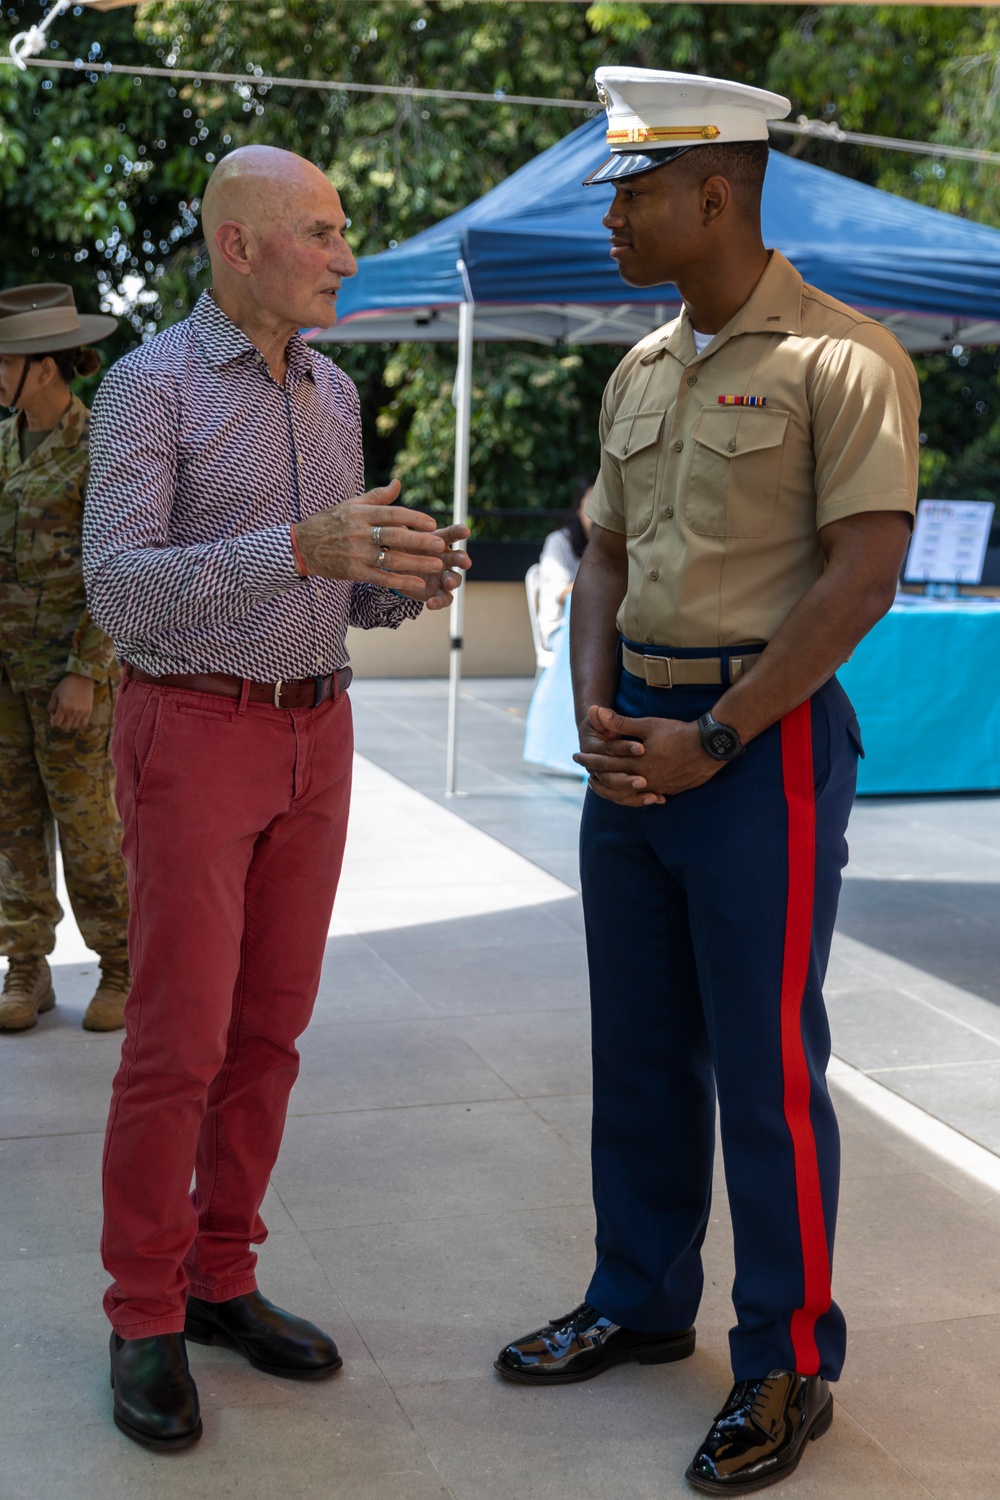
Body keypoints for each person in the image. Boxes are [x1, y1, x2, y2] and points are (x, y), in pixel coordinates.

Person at [496, 68, 919, 1495]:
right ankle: (639, 1295)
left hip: (761, 749)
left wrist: (715, 739)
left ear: (716, 194)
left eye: (632, 188)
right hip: (638, 744)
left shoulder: (844, 361)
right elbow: (603, 555)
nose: (612, 215)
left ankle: (787, 1358)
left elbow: (863, 578)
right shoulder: (639, 367)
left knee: (765, 1067)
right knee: (639, 1045)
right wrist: (596, 707)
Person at [82, 144, 470, 1454]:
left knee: (271, 1031)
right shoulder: (149, 386)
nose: (348, 254)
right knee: (177, 1043)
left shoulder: (335, 391)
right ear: (239, 245)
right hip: (193, 728)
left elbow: (330, 592)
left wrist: (399, 580)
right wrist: (300, 547)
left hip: (319, 728)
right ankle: (142, 1315)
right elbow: (123, 594)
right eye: (323, 231)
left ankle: (218, 1279)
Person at [0, 284, 131, 1034]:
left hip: (70, 676)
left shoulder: (100, 448)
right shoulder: (2, 442)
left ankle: (121, 964)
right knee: (13, 826)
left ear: (44, 367)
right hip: (6, 674)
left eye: (4, 360)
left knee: (88, 829)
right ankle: (27, 967)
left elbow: (113, 567)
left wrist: (87, 668)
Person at [535, 474, 595, 651]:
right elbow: (561, 593)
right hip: (559, 629)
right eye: (592, 503)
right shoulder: (558, 541)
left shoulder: (604, 547)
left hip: (592, 631)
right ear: (578, 508)